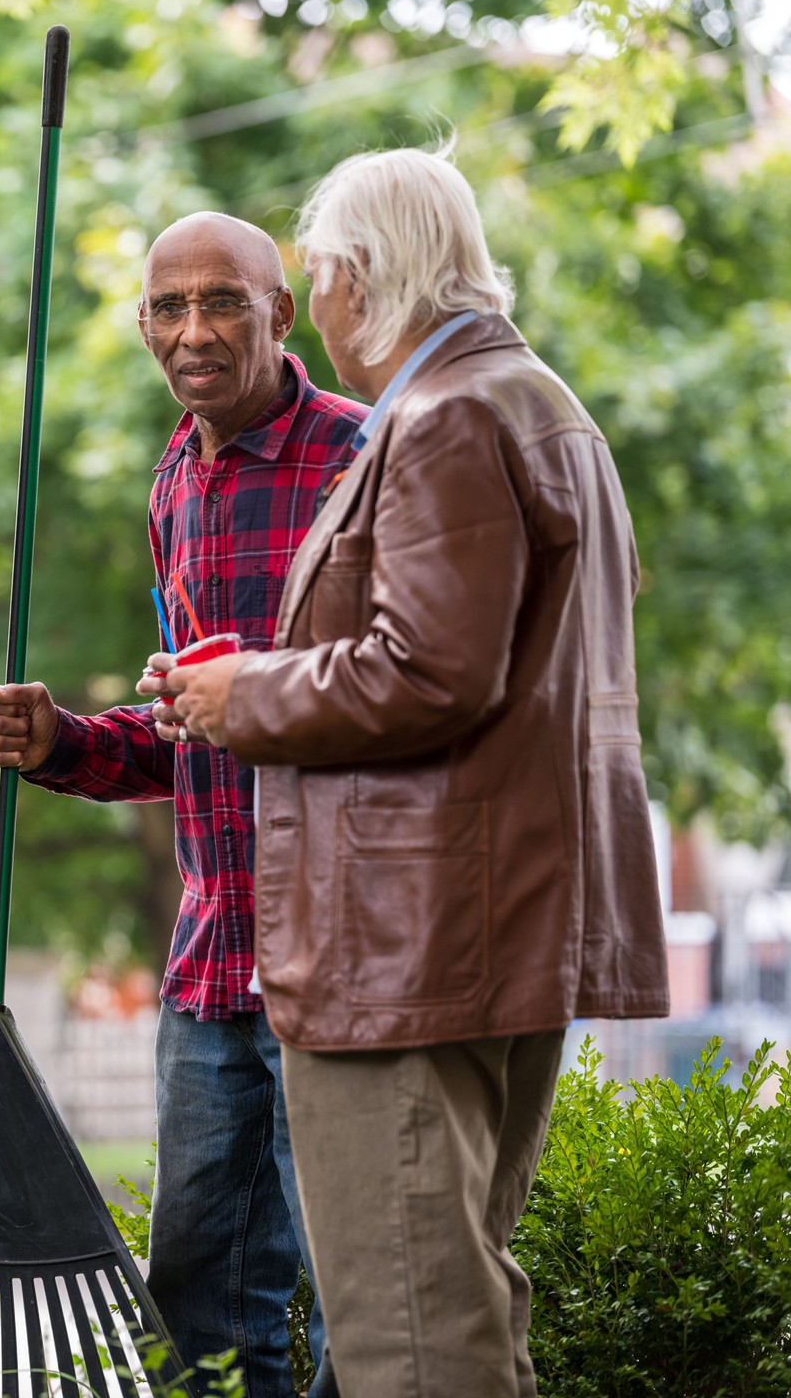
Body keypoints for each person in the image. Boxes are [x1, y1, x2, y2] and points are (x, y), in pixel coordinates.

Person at [160, 148, 670, 1397]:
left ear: (350, 279)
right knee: (458, 1300)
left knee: (409, 1334)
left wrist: (247, 692)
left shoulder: (447, 418)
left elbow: (432, 673)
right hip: (490, 925)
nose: (324, 310)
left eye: (319, 278)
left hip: (411, 943)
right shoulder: (542, 407)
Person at [0, 212, 362, 1397]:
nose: (192, 331)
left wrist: (250, 692)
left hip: (338, 952)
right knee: (196, 1288)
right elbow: (192, 730)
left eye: (224, 302)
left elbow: (401, 691)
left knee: (364, 1291)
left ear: (281, 315)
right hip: (210, 962)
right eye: (167, 307)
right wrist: (65, 744)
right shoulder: (171, 482)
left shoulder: (367, 455)